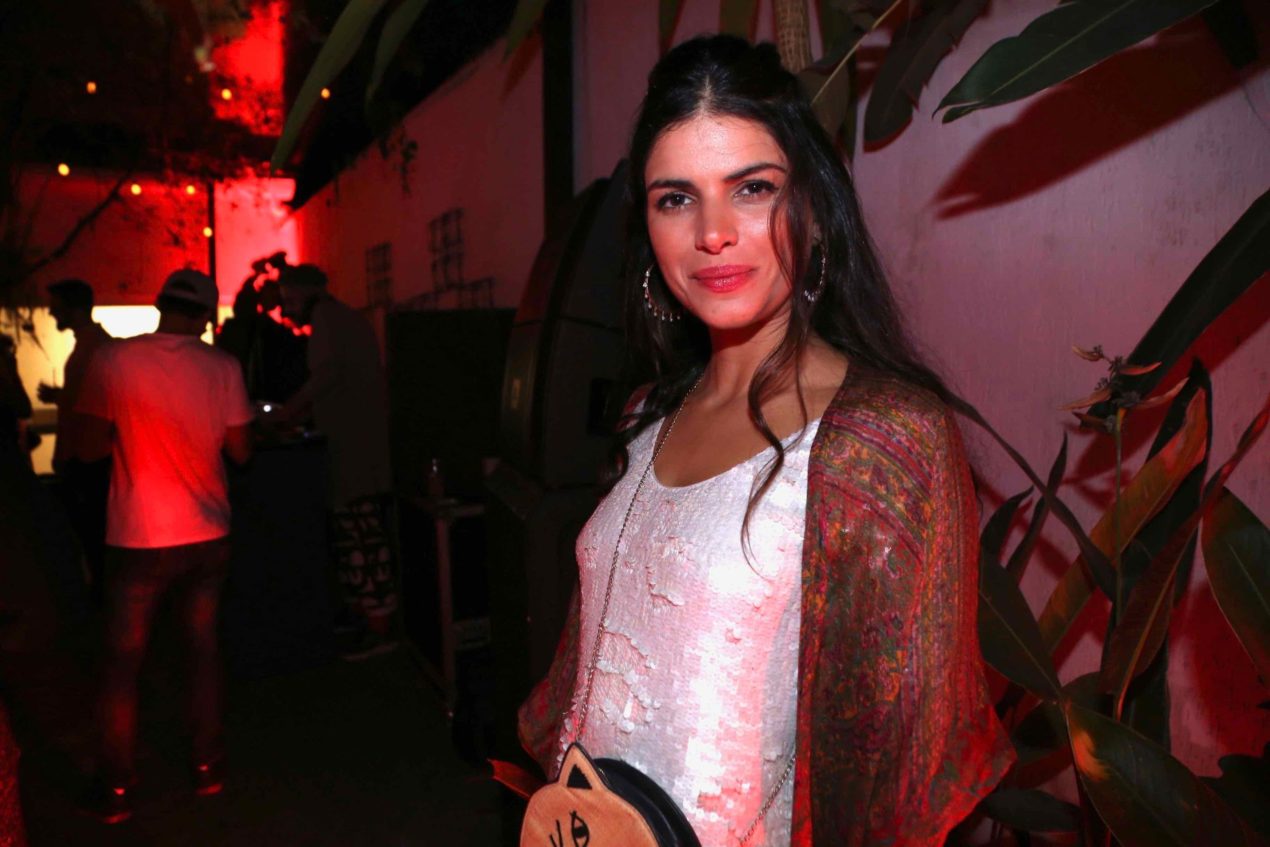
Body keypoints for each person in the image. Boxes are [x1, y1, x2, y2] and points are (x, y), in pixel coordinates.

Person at [518, 36, 1013, 846]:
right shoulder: (647, 417)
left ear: (812, 208)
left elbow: (900, 776)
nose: (712, 233)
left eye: (751, 188)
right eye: (675, 198)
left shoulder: (882, 441)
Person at [75, 269, 253, 822]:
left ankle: (117, 788)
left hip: (138, 535)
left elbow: (86, 448)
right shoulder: (222, 367)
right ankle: (206, 767)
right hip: (207, 532)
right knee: (201, 650)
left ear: (158, 305)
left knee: (123, 663)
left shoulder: (113, 360)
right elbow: (242, 451)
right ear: (204, 317)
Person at [275, 264, 395, 659]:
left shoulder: (326, 319)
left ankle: (378, 629)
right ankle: (371, 619)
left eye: (289, 299)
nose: (285, 309)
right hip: (360, 445)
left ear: (307, 293)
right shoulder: (342, 318)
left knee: (360, 538)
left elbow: (325, 377)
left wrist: (285, 413)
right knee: (360, 534)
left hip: (352, 450)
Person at [38, 279, 114, 602]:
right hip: (90, 456)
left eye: (56, 307)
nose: (51, 312)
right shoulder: (97, 345)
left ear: (74, 308)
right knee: (94, 534)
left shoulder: (93, 348)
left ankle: (101, 595)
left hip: (89, 458)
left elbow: (87, 408)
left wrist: (65, 454)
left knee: (92, 534)